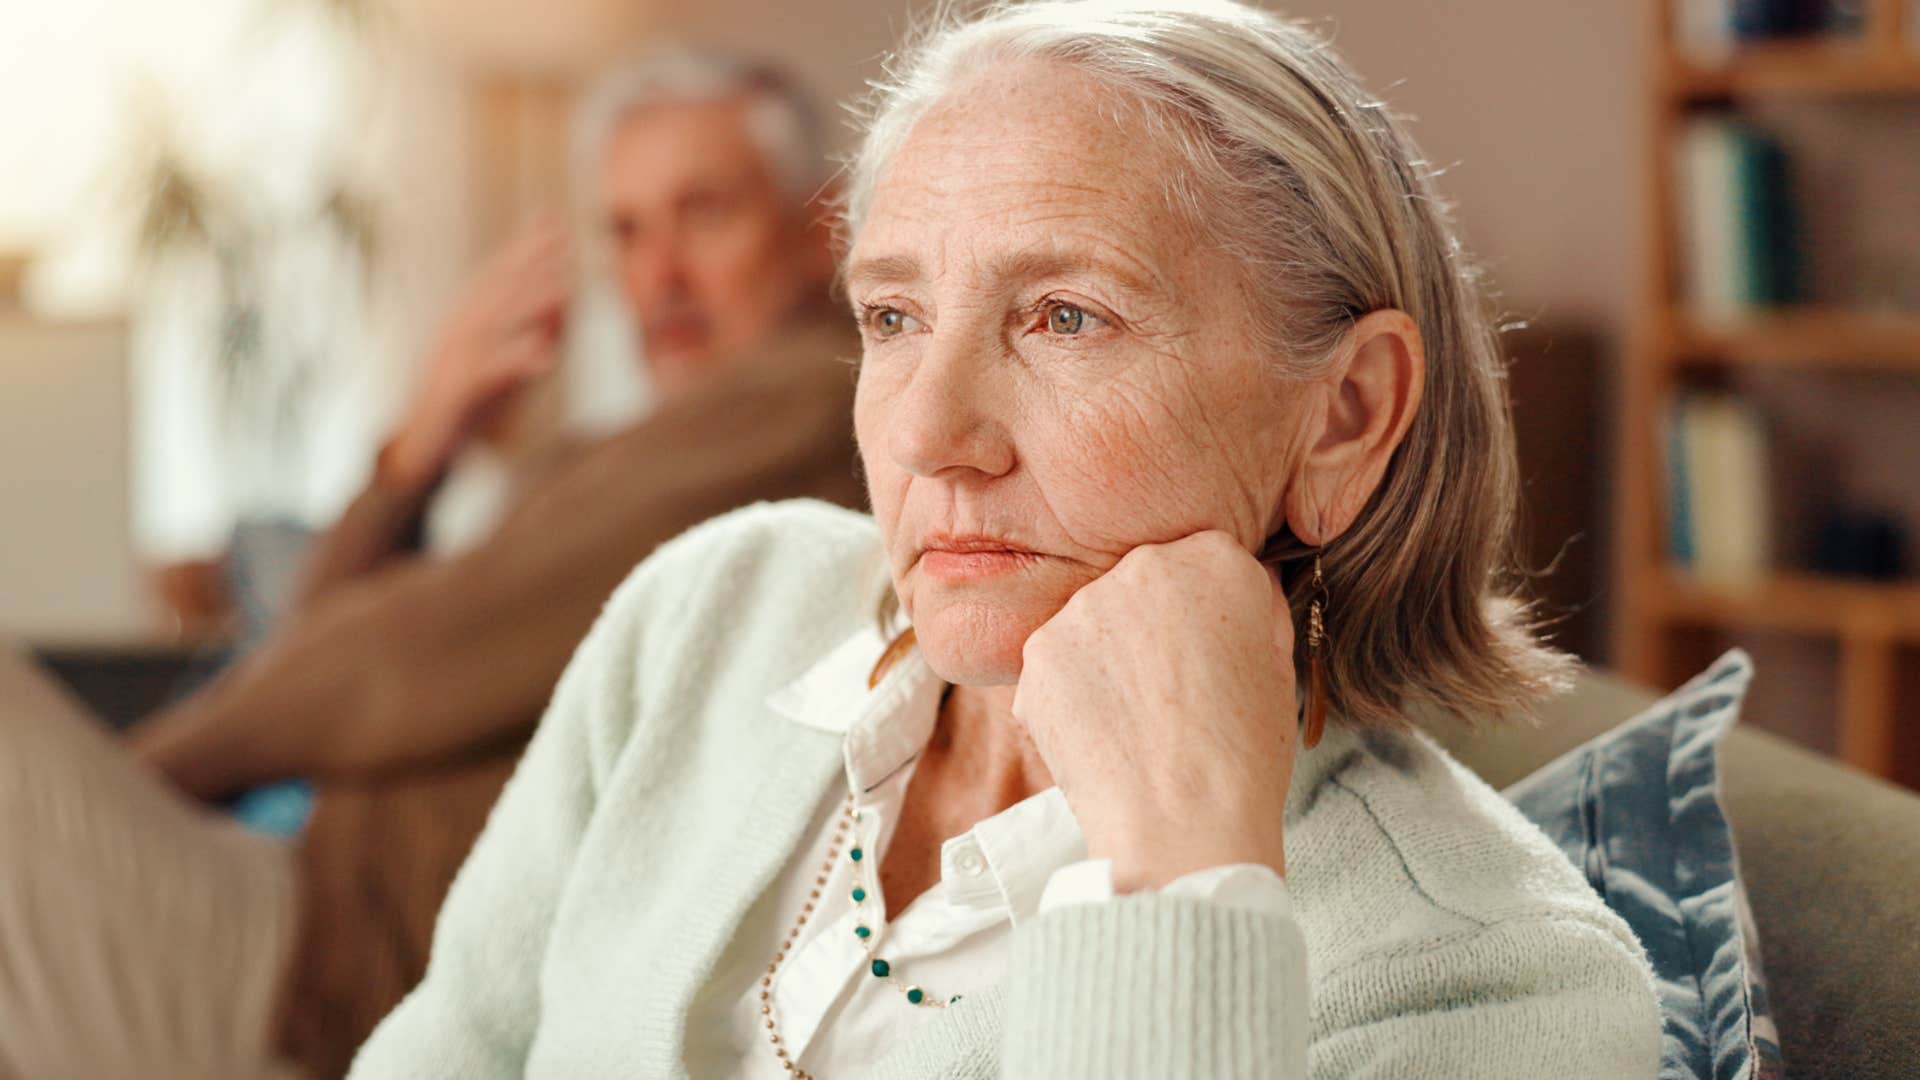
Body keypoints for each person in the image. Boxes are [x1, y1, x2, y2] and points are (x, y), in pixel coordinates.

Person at [349, 2, 1665, 1077]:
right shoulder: (708, 605)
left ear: (1346, 415)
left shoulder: (1503, 992)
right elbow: (445, 1049)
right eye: (895, 318)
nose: (928, 435)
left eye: (1065, 318)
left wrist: (1181, 883)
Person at [0, 50, 863, 1079]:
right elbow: (319, 643)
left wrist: (139, 783)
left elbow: (386, 664)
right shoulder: (616, 447)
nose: (658, 276)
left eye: (704, 213)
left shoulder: (806, 401)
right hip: (288, 910)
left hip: (316, 972)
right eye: (627, 230)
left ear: (823, 228)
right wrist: (422, 448)